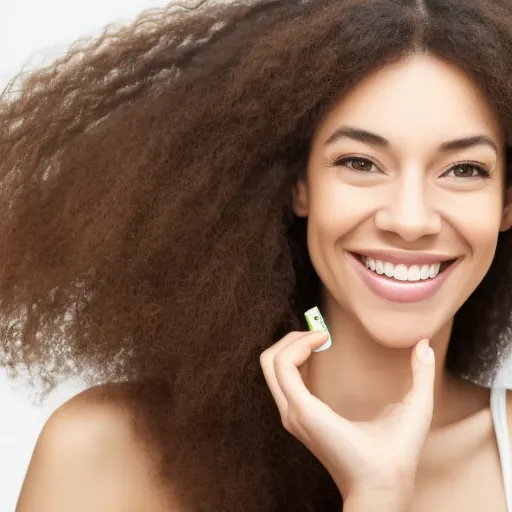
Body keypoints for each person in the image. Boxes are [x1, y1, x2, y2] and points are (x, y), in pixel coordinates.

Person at [2, 0, 512, 510]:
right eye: (360, 162)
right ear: (300, 185)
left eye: (465, 170)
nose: (409, 219)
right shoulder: (104, 453)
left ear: (506, 202)